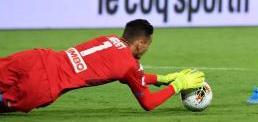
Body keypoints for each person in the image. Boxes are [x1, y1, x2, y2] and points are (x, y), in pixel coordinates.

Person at [0, 19, 205, 113]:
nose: (146, 51)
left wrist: (161, 79)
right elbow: (148, 103)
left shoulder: (107, 39)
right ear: (141, 43)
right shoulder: (129, 64)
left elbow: (129, 74)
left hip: (36, 58)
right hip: (46, 84)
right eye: (147, 46)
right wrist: (177, 85)